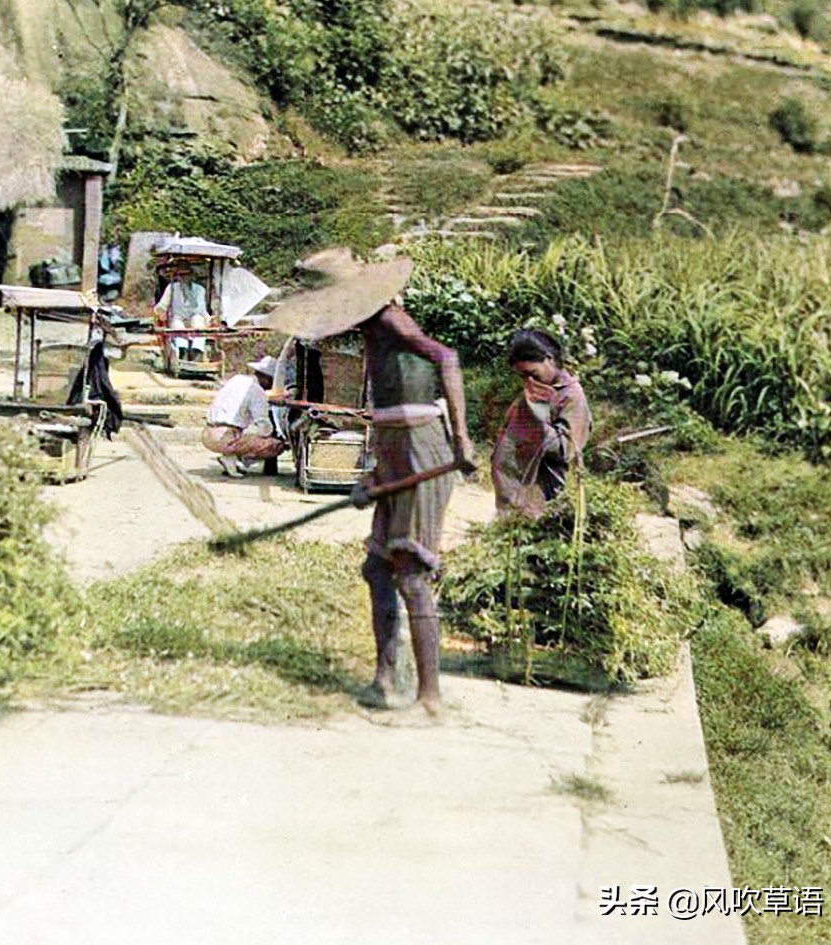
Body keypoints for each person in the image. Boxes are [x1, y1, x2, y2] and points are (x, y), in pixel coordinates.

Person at [269, 249, 477, 717]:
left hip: (422, 449)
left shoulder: (390, 319)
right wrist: (373, 475)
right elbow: (388, 417)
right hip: (395, 451)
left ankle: (430, 696)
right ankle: (386, 678)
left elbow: (447, 358)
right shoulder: (371, 331)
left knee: (411, 575)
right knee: (377, 569)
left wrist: (462, 437)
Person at [491, 327, 592, 519]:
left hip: (545, 489)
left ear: (549, 359)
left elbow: (568, 447)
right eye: (522, 376)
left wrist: (537, 418)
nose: (528, 380)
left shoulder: (571, 396)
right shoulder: (538, 389)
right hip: (516, 488)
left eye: (532, 373)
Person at [202, 355, 288, 477]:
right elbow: (263, 426)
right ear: (267, 378)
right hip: (223, 437)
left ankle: (230, 458)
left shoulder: (237, 379)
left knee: (243, 431)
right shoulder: (257, 391)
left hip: (208, 432)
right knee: (275, 444)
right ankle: (232, 458)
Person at [154, 262, 211, 361]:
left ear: (192, 275)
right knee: (178, 326)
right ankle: (182, 352)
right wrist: (160, 311)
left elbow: (199, 308)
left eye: (187, 274)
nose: (184, 277)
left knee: (198, 323)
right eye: (181, 275)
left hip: (195, 315)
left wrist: (187, 292)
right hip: (178, 317)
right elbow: (162, 305)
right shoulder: (171, 288)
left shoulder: (199, 289)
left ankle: (196, 352)